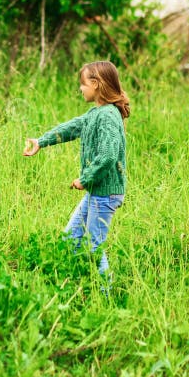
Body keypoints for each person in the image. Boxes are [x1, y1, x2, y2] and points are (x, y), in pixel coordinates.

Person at [23, 61, 128, 286]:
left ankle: (106, 294)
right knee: (70, 239)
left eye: (83, 84)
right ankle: (68, 283)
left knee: (93, 247)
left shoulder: (108, 115)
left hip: (105, 194)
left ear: (96, 84)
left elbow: (108, 155)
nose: (80, 89)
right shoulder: (96, 113)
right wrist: (41, 141)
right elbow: (72, 127)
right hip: (97, 192)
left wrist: (85, 178)